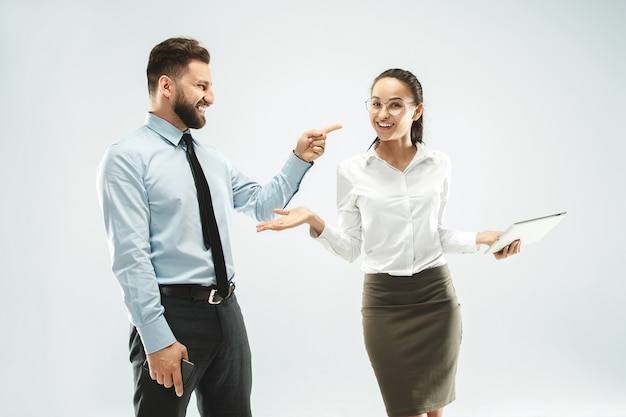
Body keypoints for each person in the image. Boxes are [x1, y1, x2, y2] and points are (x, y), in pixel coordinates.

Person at [96, 37, 341, 417]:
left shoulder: (211, 158)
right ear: (166, 86)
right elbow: (130, 258)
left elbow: (261, 205)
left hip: (228, 314)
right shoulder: (127, 158)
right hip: (171, 316)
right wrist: (156, 338)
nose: (211, 98)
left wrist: (298, 158)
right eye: (201, 86)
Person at [256, 68, 521, 417]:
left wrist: (482, 239)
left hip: (436, 298)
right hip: (385, 303)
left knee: (435, 410)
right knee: (404, 409)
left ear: (417, 111)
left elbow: (434, 234)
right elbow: (351, 247)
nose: (383, 114)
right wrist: (314, 221)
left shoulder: (439, 164)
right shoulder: (352, 171)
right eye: (377, 104)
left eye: (395, 105)